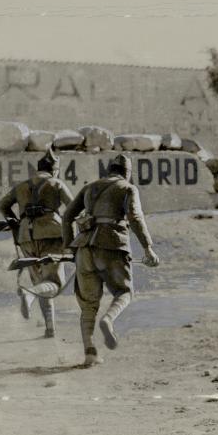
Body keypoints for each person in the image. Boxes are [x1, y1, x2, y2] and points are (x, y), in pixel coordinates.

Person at [62, 154, 160, 367]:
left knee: (88, 306)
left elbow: (67, 216)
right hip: (112, 246)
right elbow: (135, 217)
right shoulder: (127, 188)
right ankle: (108, 320)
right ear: (127, 172)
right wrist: (148, 248)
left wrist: (70, 248)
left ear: (108, 170)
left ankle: (90, 353)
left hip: (84, 249)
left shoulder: (90, 187)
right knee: (124, 292)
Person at [0, 147, 73, 338]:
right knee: (54, 283)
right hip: (51, 234)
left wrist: (14, 221)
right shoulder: (56, 183)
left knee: (41, 281)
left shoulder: (22, 185)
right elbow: (73, 209)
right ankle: (29, 294)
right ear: (54, 169)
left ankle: (50, 329)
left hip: (25, 237)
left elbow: (2, 205)